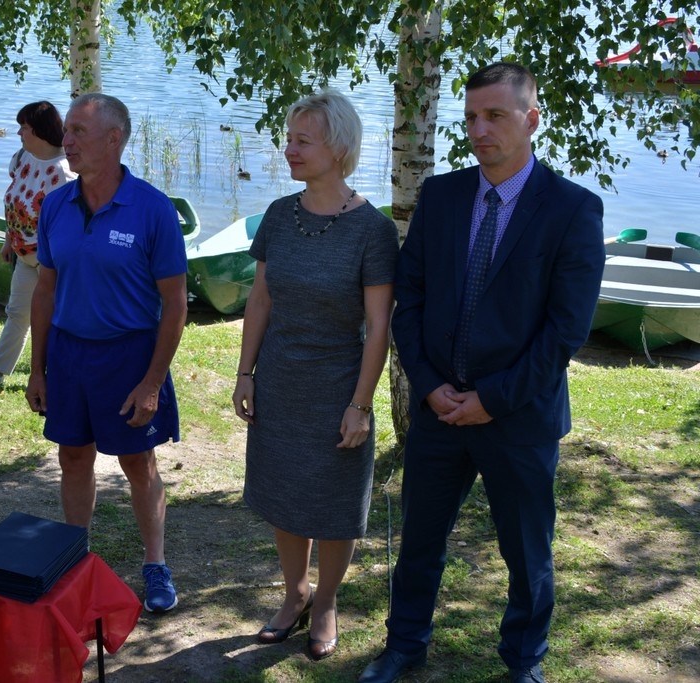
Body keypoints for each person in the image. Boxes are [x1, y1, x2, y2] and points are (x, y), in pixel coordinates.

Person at [357, 63, 605, 683]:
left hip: (517, 417)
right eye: (470, 116)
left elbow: (564, 332)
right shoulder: (441, 195)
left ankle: (524, 662)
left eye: (494, 115)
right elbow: (409, 298)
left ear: (531, 119)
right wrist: (427, 382)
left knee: (526, 553)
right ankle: (405, 644)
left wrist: (492, 399)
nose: (478, 129)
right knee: (419, 542)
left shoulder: (573, 210)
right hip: (439, 409)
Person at [231, 90, 398, 661]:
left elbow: (379, 327)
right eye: (290, 138)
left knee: (332, 502)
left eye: (304, 140)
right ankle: (293, 592)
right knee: (282, 494)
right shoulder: (279, 215)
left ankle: (325, 600)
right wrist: (245, 371)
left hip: (338, 388)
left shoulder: (372, 230)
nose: (289, 149)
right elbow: (260, 300)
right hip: (280, 380)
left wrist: (361, 403)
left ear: (340, 147)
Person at [25, 93, 188, 613]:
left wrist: (152, 381)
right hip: (70, 355)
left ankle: (156, 565)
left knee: (137, 462)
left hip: (129, 357)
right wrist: (38, 368)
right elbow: (45, 289)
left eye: (77, 132)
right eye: (66, 132)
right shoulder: (55, 205)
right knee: (72, 456)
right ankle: (75, 558)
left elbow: (175, 302)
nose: (65, 141)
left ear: (114, 140)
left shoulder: (152, 209)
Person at [0, 101, 76, 384]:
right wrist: (8, 240)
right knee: (17, 312)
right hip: (22, 252)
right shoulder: (22, 158)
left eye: (24, 128)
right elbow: (14, 203)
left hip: (47, 259)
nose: (19, 133)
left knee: (51, 319)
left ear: (40, 131)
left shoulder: (62, 173)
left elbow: (63, 226)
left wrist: (50, 262)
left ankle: (55, 374)